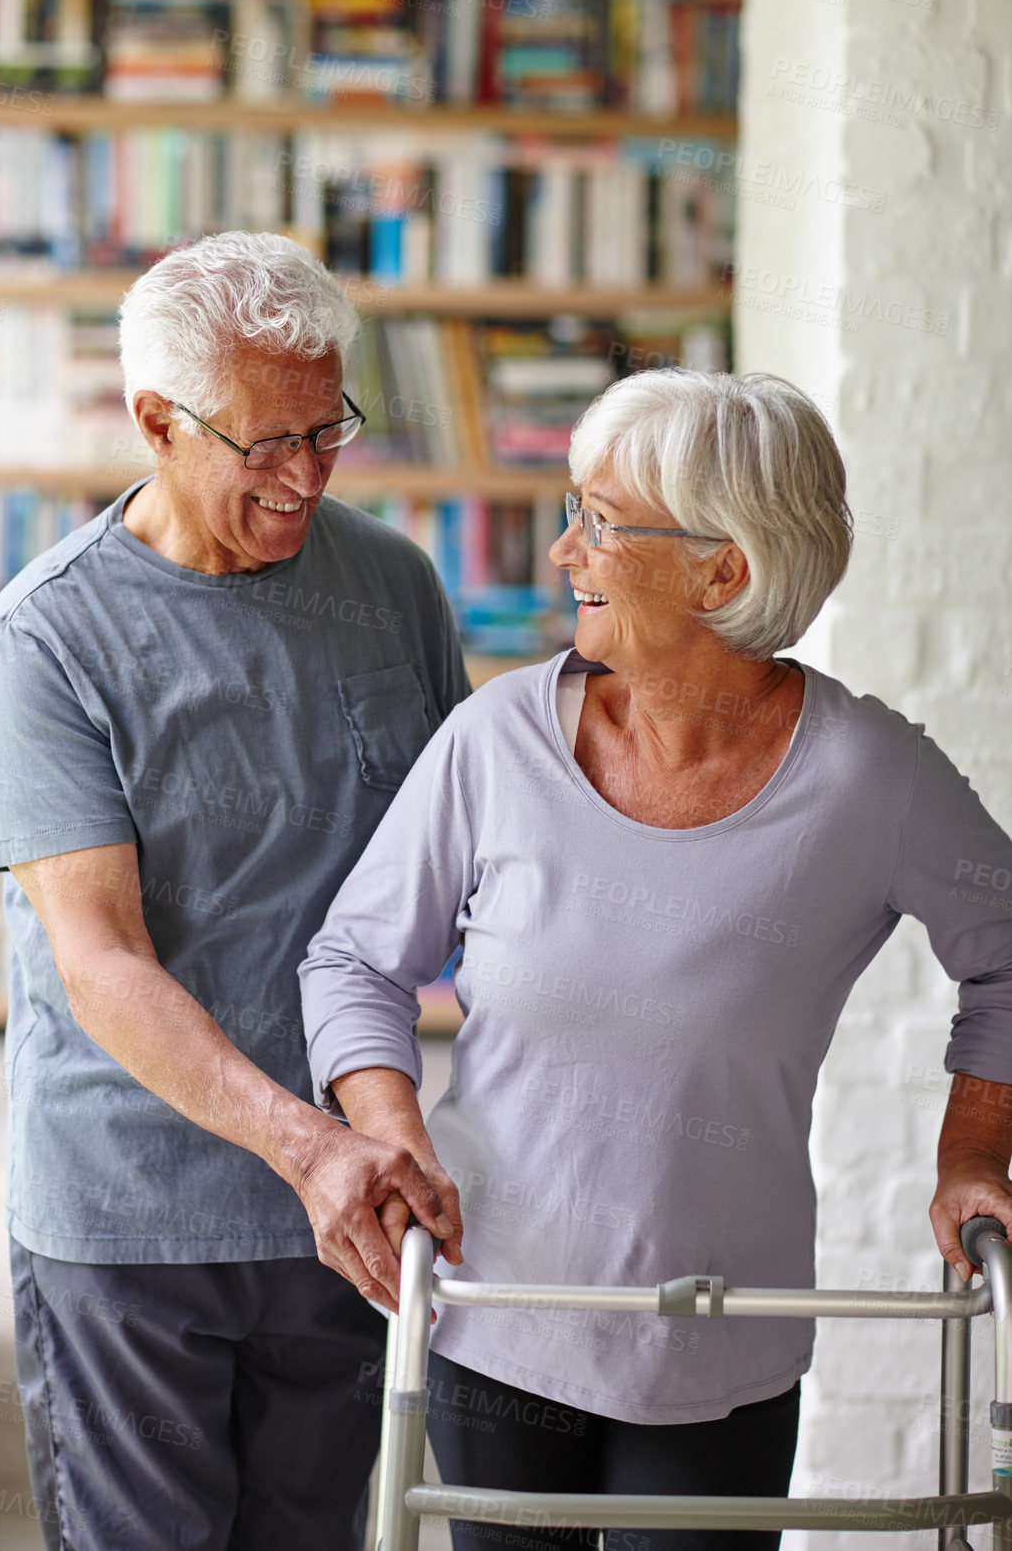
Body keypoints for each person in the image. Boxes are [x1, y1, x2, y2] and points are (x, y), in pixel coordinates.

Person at [299, 368, 1012, 1551]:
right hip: (492, 1311)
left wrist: (971, 1148)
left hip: (720, 1342)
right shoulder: (495, 740)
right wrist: (388, 1122)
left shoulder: (866, 778)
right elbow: (355, 960)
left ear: (720, 571)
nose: (563, 552)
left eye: (600, 521)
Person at [0, 230, 469, 1551]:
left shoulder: (396, 586)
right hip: (136, 1217)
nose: (306, 475)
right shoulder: (48, 637)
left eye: (329, 430)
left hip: (348, 1212)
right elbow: (102, 957)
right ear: (157, 421)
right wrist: (308, 1147)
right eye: (266, 444)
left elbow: (454, 878)